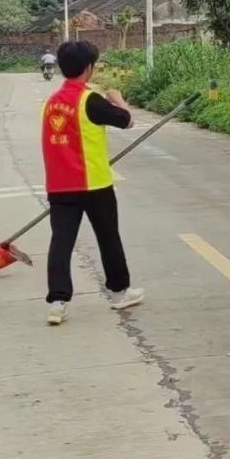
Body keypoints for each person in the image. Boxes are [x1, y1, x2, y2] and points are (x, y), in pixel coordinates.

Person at [42, 39, 144, 326]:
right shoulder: (90, 100)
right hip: (93, 184)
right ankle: (119, 292)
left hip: (59, 185)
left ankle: (58, 302)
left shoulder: (51, 103)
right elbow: (126, 121)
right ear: (88, 68)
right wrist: (117, 98)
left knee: (61, 242)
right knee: (108, 236)